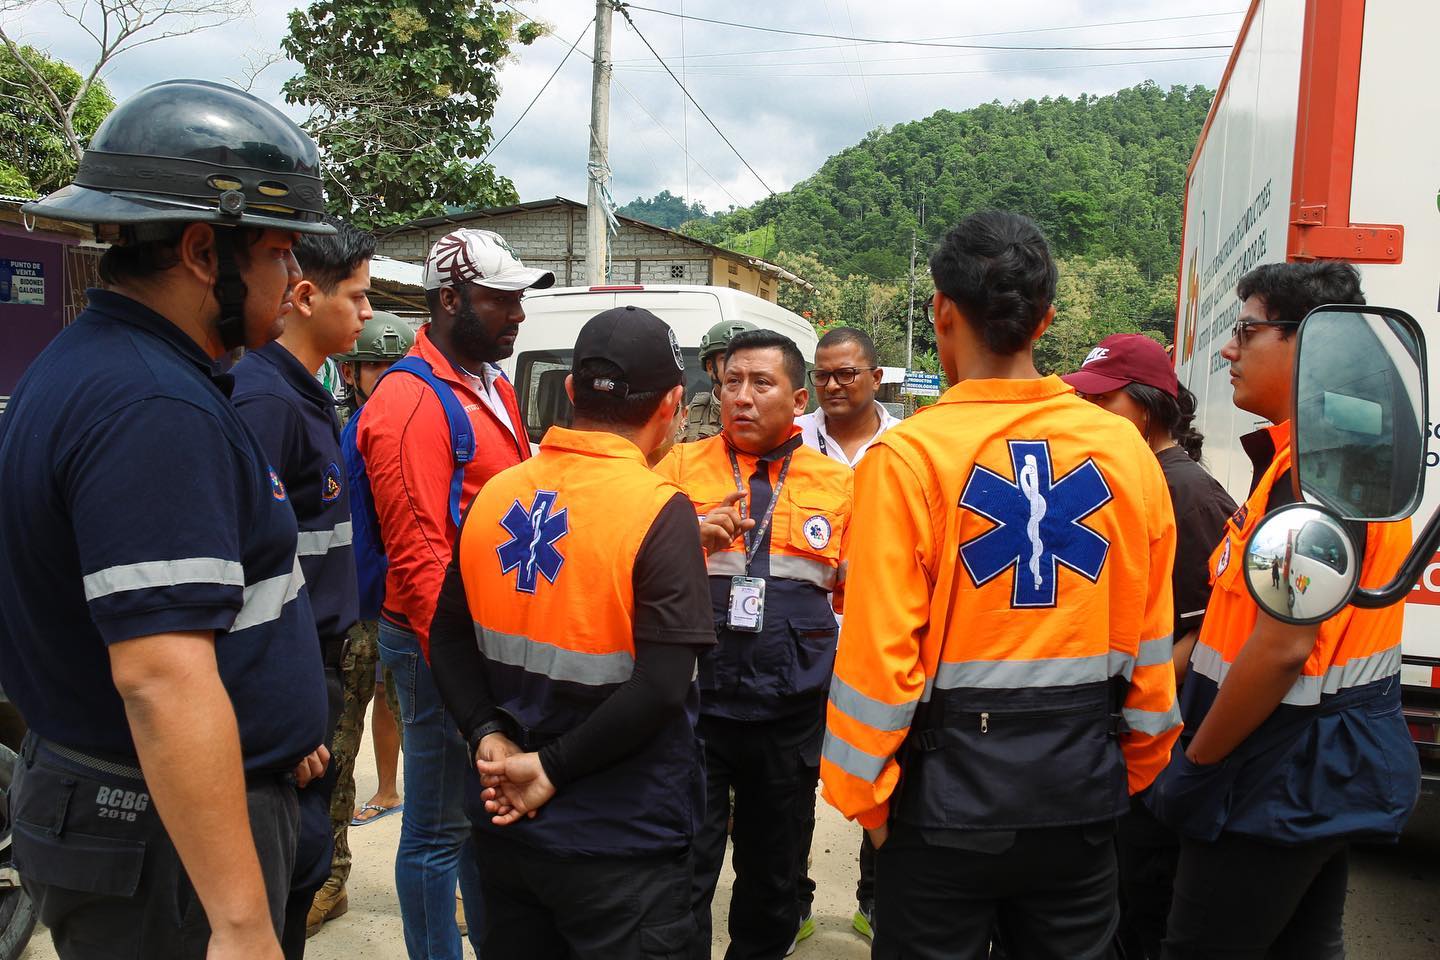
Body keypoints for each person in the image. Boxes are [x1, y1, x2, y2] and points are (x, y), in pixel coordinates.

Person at [0, 79, 335, 959]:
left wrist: (281, 724)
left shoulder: (116, 366)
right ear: (201, 251)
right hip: (160, 846)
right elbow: (160, 676)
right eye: (279, 253)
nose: (297, 279)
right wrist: (238, 921)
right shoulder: (153, 405)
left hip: (152, 820)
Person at [820, 210, 1182, 960]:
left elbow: (877, 657)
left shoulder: (909, 459)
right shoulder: (1122, 451)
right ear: (1045, 321)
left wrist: (868, 803)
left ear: (940, 312)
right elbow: (1151, 634)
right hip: (1082, 798)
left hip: (940, 813)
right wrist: (1136, 768)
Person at [1148, 260, 1419, 959]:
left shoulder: (1321, 477)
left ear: (1313, 342)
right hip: (1303, 775)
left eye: (1247, 330)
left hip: (1272, 777)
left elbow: (1281, 650)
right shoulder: (1317, 458)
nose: (1228, 350)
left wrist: (1198, 765)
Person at [428, 305, 712, 957]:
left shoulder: (497, 493)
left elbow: (445, 637)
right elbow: (664, 687)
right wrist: (549, 769)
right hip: (620, 844)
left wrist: (486, 732)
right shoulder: (658, 511)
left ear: (568, 392)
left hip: (506, 831)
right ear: (673, 403)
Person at [356, 227, 554, 960]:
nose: (518, 317)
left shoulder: (490, 384)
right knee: (436, 831)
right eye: (502, 302)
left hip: (482, 637)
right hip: (438, 640)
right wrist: (466, 666)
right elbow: (419, 561)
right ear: (450, 300)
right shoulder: (411, 404)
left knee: (475, 817)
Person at [656, 329, 853, 960]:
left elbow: (864, 594)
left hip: (789, 715)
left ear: (798, 400)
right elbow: (624, 568)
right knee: (682, 871)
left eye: (760, 384)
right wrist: (690, 537)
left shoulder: (841, 483)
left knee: (772, 879)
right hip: (694, 709)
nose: (741, 397)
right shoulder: (677, 469)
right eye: (731, 382)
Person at [1063, 332, 1237, 959]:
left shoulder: (1184, 493)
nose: (1086, 416)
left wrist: (1138, 704)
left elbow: (1204, 625)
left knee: (1140, 898)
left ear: (1142, 407)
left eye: (1099, 403)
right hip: (1123, 731)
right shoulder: (1129, 477)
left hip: (1156, 735)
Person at [231, 216, 373, 956]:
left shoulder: (310, 392)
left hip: (318, 659)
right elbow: (248, 573)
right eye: (358, 295)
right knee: (279, 875)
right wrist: (280, 714)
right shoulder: (265, 401)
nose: (370, 311)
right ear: (306, 296)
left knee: (304, 856)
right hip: (292, 669)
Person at [792, 326, 901, 943]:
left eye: (847, 374)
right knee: (793, 776)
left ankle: (876, 899)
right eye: (822, 375)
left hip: (880, 638)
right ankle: (794, 899)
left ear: (875, 378)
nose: (832, 385)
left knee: (881, 764)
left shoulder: (908, 444)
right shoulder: (794, 442)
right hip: (805, 640)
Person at [308, 313, 413, 938]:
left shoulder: (425, 428)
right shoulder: (336, 429)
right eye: (376, 366)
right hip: (356, 613)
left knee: (433, 750)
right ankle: (330, 877)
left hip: (411, 612)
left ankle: (449, 879)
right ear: (352, 371)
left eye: (396, 367)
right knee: (337, 751)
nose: (386, 378)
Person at [683, 319, 756, 442]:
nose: (738, 366)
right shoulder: (688, 417)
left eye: (749, 359)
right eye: (727, 358)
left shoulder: (770, 414)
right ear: (710, 367)